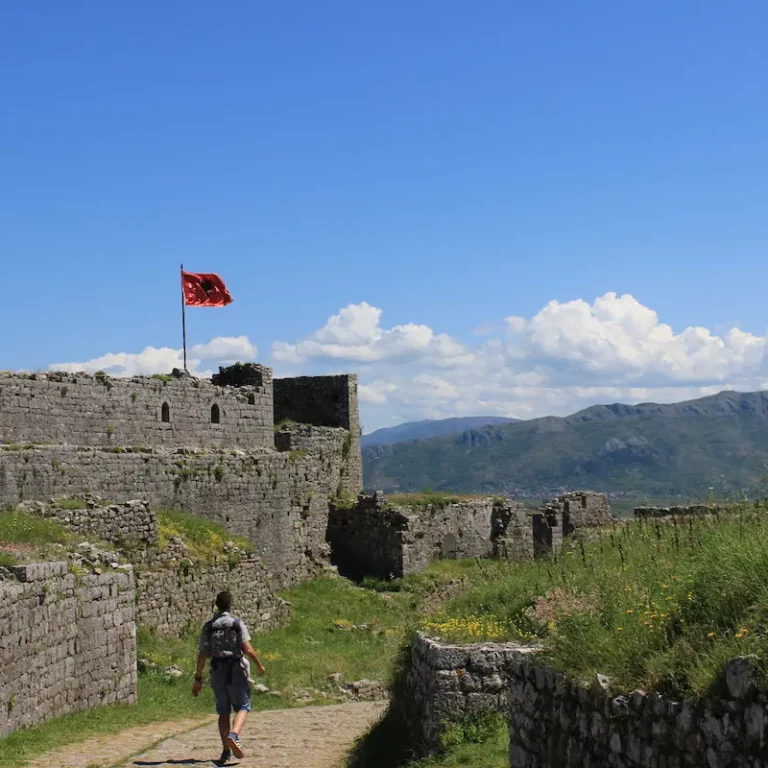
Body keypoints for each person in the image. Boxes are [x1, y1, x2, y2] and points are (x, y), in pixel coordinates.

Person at [193, 590, 266, 765]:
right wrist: (259, 665)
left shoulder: (209, 626)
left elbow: (203, 653)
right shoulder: (236, 623)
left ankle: (225, 751)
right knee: (243, 705)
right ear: (230, 605)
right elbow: (247, 649)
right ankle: (234, 735)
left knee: (223, 711)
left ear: (216, 605)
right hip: (235, 668)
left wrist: (198, 678)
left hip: (217, 670)